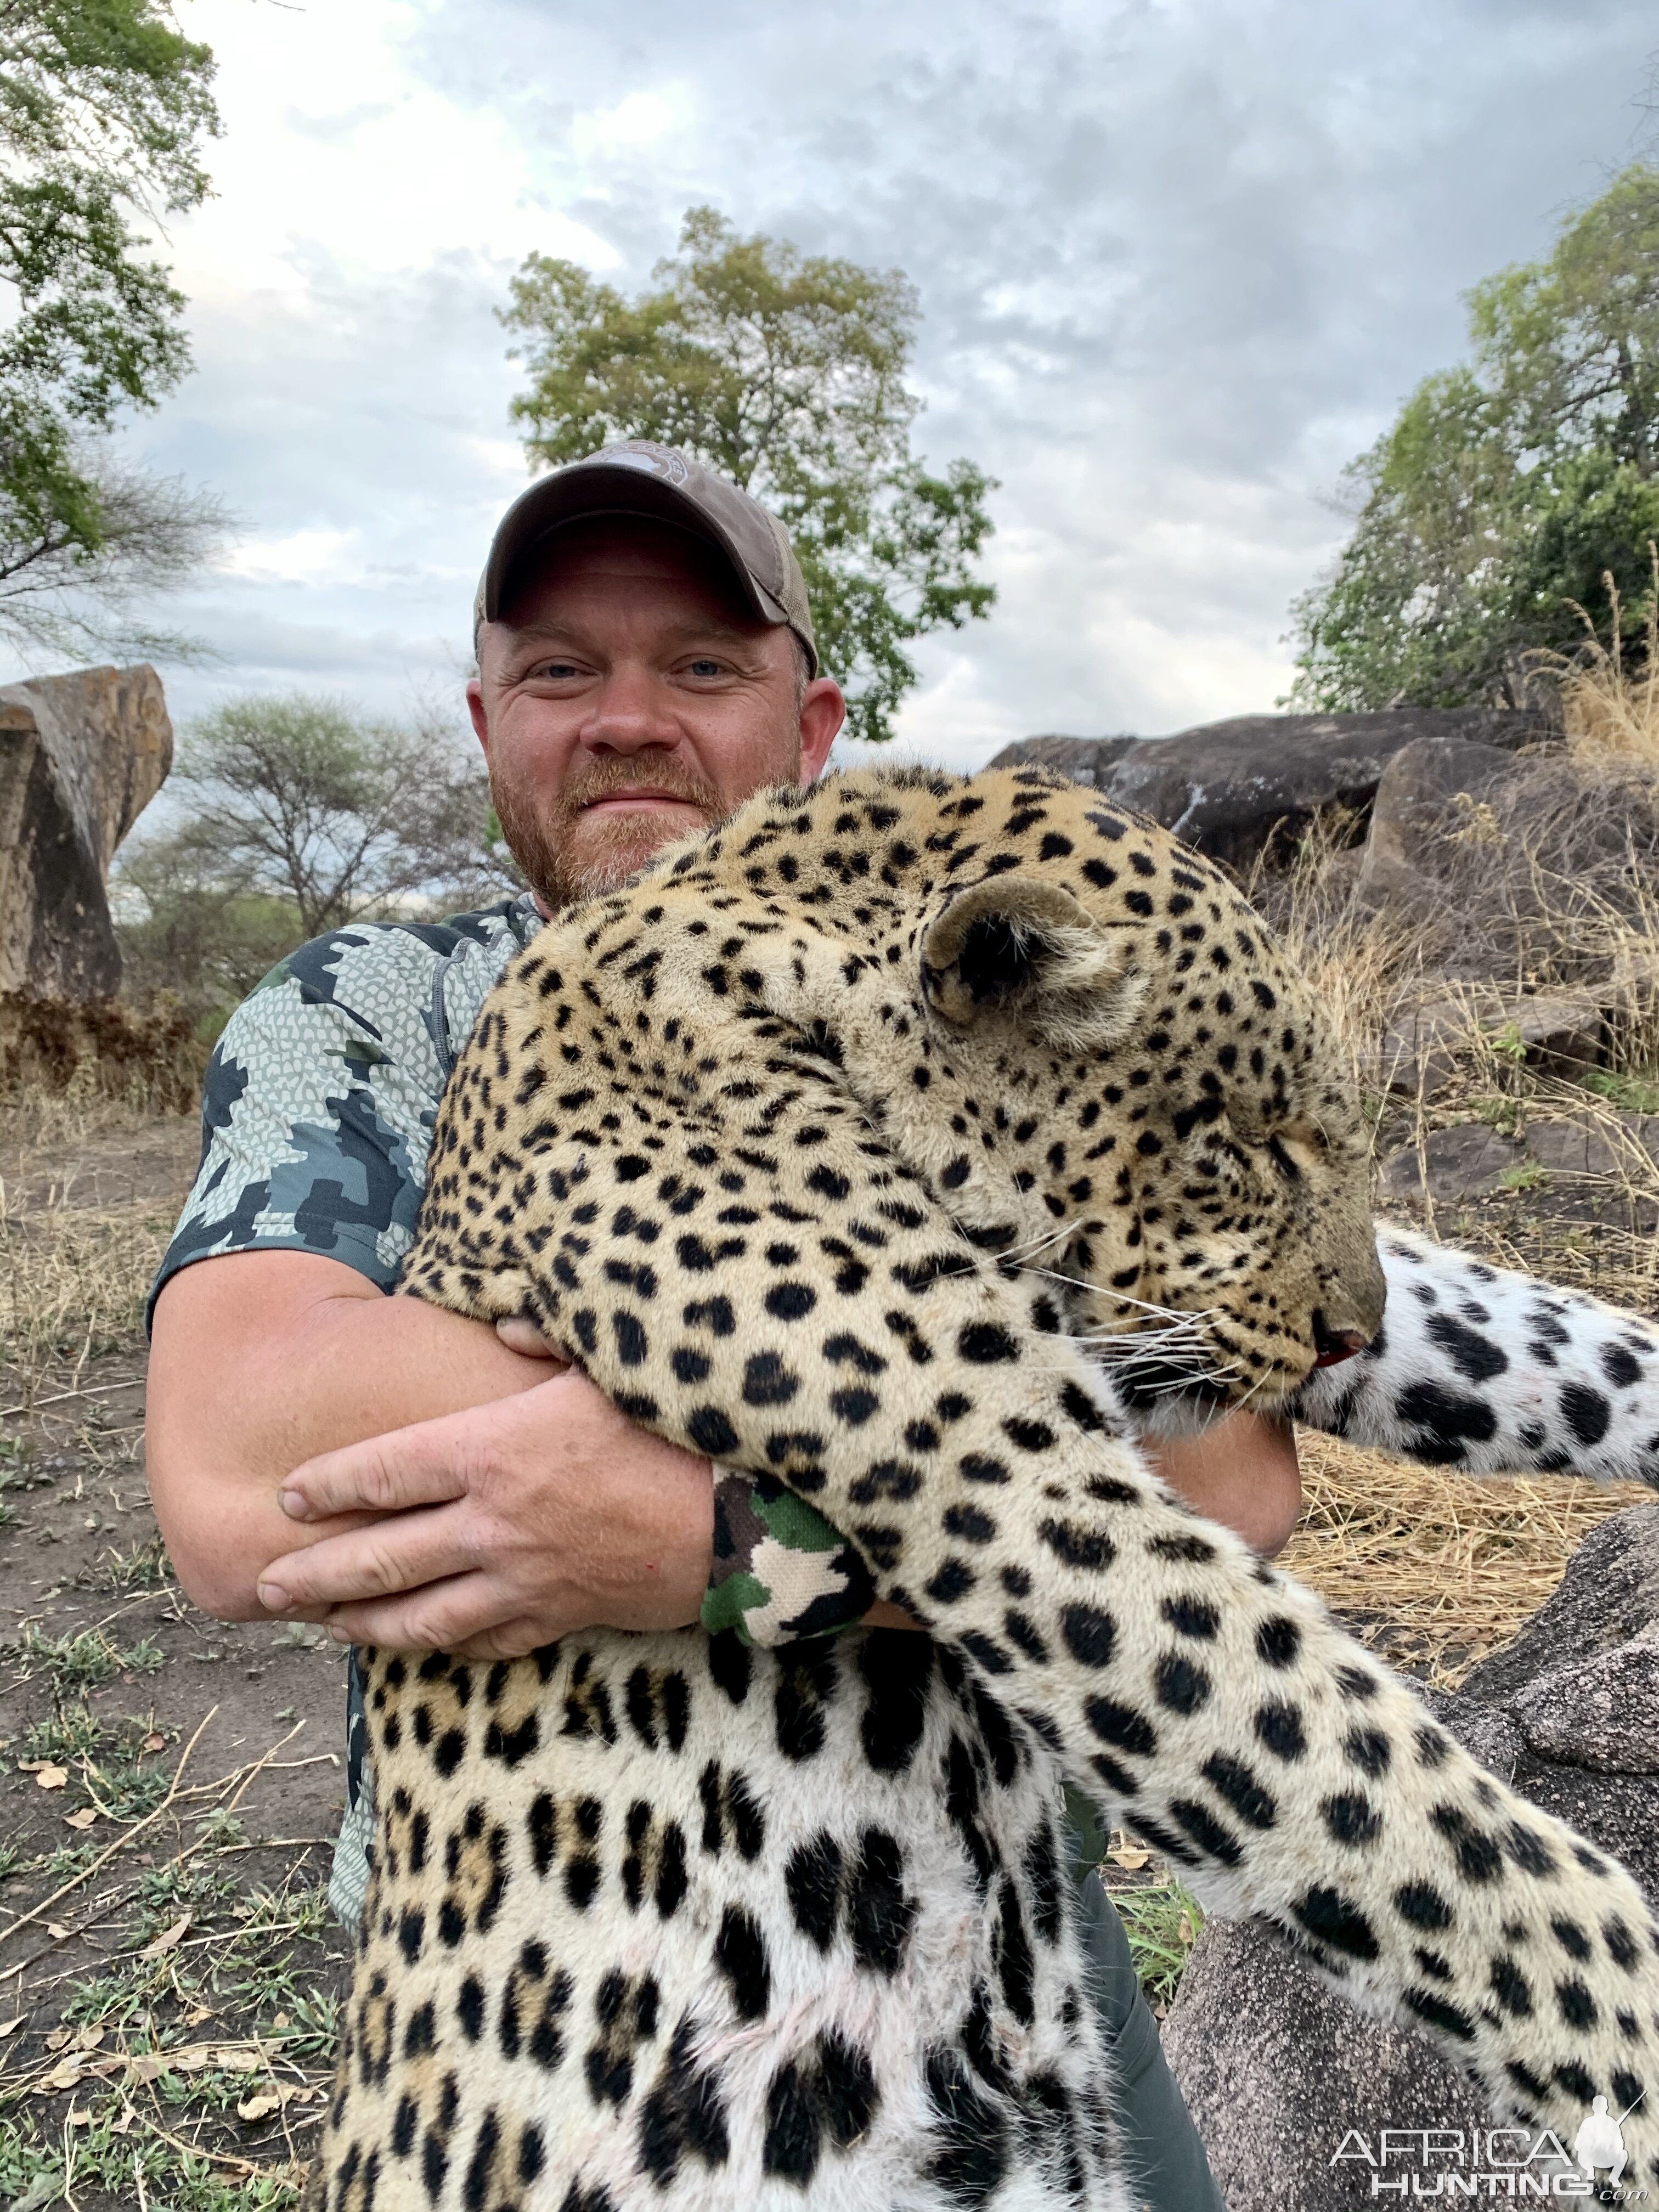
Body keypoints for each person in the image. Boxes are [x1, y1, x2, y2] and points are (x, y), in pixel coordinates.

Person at [146, 439, 1305, 2211]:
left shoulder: (989, 998)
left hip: (1009, 1955)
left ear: (814, 723)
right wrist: (949, 1419)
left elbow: (1224, 1482)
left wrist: (713, 1543)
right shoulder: (370, 1006)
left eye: (702, 666)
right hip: (545, 2007)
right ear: (484, 722)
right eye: (560, 670)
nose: (627, 720)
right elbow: (242, 1474)